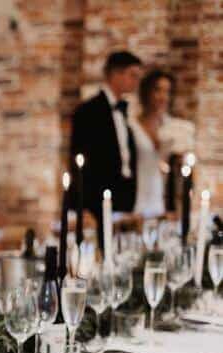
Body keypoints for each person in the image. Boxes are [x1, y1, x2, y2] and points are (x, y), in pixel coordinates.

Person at [69, 51, 142, 248]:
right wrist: (84, 205)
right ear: (116, 74)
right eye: (133, 75)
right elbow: (79, 162)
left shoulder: (124, 111)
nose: (136, 82)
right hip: (97, 201)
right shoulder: (87, 112)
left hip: (123, 198)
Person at [132, 69, 195, 216]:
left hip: (163, 200)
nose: (163, 97)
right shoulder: (132, 126)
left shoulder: (175, 128)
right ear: (146, 92)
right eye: (158, 90)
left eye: (167, 92)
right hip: (135, 198)